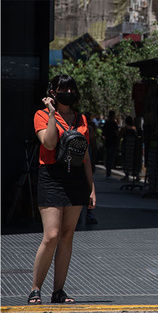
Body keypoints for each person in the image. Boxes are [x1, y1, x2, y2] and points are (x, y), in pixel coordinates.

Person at [28, 74, 96, 304]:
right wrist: (50, 113)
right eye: (62, 89)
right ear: (53, 92)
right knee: (52, 235)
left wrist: (91, 188)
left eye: (70, 88)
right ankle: (36, 288)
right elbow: (49, 143)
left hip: (76, 178)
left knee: (67, 236)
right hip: (52, 176)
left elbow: (85, 155)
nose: (67, 92)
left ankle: (58, 291)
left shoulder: (82, 119)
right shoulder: (40, 115)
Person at [119, 116, 137, 181]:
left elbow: (120, 135)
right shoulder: (135, 129)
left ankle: (127, 175)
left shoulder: (125, 129)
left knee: (125, 160)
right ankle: (136, 174)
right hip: (133, 146)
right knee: (133, 160)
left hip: (126, 145)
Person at [102, 110, 119, 179]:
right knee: (111, 158)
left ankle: (108, 171)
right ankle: (109, 171)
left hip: (107, 142)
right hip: (113, 142)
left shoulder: (106, 124)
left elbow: (103, 133)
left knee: (108, 157)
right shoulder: (114, 124)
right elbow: (116, 133)